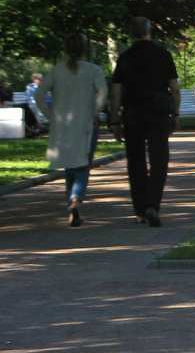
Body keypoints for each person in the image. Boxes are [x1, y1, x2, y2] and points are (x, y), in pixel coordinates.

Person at [108, 17, 181, 227]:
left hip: (133, 113)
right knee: (159, 160)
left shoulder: (125, 58)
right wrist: (175, 114)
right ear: (150, 30)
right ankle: (153, 204)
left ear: (131, 34)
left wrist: (114, 121)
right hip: (158, 114)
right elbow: (174, 88)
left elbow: (116, 92)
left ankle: (140, 210)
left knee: (136, 161)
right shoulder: (162, 55)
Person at [35, 34, 107, 226]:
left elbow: (39, 94)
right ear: (86, 49)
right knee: (83, 164)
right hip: (86, 123)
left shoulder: (57, 71)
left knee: (70, 165)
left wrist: (51, 116)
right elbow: (103, 91)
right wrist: (96, 111)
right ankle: (76, 199)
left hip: (63, 125)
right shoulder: (94, 70)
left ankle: (72, 203)